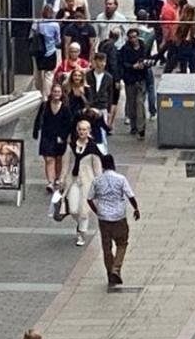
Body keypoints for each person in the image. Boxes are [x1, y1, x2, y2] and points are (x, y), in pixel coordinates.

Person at [87, 155, 140, 285]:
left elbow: (89, 198)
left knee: (107, 247)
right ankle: (116, 269)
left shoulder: (97, 180)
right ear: (113, 164)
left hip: (103, 218)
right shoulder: (121, 179)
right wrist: (136, 208)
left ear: (103, 166)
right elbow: (130, 195)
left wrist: (97, 211)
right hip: (119, 217)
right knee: (122, 243)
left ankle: (110, 272)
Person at [61, 120, 102, 246]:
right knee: (73, 209)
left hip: (87, 181)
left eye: (84, 129)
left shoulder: (93, 148)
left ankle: (81, 234)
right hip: (73, 180)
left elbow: (97, 168)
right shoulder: (71, 146)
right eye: (80, 129)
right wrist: (62, 178)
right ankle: (79, 223)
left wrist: (99, 184)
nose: (82, 132)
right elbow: (65, 164)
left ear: (89, 131)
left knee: (84, 210)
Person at [32, 82, 75, 192]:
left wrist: (64, 136)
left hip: (60, 137)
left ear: (61, 94)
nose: (56, 94)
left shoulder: (65, 108)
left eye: (58, 92)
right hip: (47, 135)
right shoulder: (45, 105)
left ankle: (57, 178)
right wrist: (35, 131)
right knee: (49, 159)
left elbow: (69, 123)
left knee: (58, 158)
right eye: (55, 91)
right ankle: (50, 181)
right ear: (51, 92)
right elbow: (38, 118)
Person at [120, 28, 149, 139]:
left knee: (140, 103)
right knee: (131, 104)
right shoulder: (125, 49)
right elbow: (123, 63)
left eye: (135, 37)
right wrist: (132, 66)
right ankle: (134, 126)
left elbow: (149, 58)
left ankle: (141, 128)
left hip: (141, 79)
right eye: (131, 37)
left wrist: (144, 64)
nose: (133, 39)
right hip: (130, 79)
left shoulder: (144, 47)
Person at [31, 6, 62, 96]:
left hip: (38, 52)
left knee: (38, 73)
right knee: (49, 75)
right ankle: (47, 95)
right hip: (51, 51)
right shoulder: (55, 25)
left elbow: (32, 34)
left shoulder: (37, 23)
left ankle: (39, 93)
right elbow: (58, 40)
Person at [88, 52, 118, 131]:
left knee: (102, 130)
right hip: (91, 105)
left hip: (103, 105)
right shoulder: (88, 75)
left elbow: (110, 94)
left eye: (104, 61)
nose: (102, 63)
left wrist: (109, 110)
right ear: (95, 61)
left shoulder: (109, 77)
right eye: (100, 61)